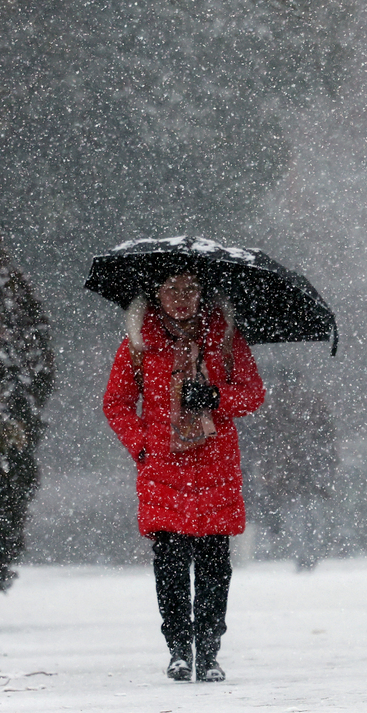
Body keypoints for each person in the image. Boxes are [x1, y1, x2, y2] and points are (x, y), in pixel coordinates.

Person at [103, 272, 265, 682]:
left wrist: (215, 396)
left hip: (216, 467)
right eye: (171, 289)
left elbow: (253, 393)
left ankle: (208, 653)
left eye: (190, 288)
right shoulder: (139, 342)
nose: (181, 298)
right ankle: (178, 649)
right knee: (171, 564)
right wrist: (143, 446)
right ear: (155, 294)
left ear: (202, 293)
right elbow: (116, 403)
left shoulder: (226, 338)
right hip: (163, 469)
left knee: (214, 566)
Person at [245, 366, 337, 570]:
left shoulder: (273, 407)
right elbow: (327, 438)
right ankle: (306, 555)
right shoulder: (311, 404)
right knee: (305, 516)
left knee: (298, 516)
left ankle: (303, 555)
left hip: (290, 472)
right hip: (300, 471)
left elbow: (263, 441)